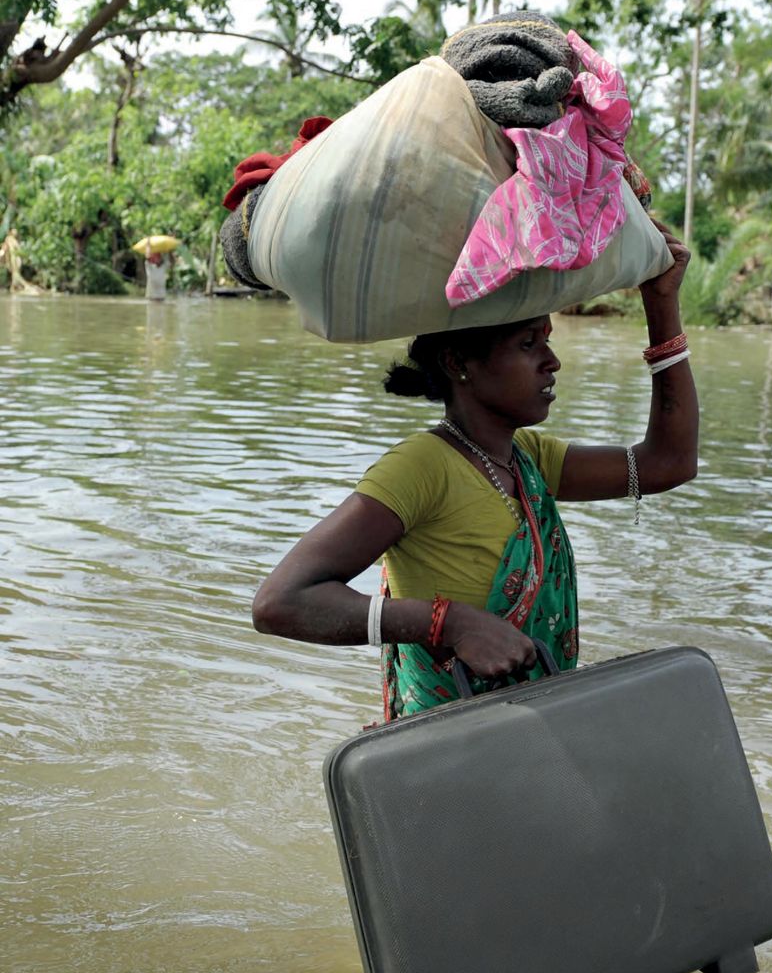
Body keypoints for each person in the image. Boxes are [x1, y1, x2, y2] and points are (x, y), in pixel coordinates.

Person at [253, 220, 697, 720]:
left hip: (531, 729)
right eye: (528, 344)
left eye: (547, 341)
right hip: (447, 749)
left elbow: (667, 464)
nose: (553, 362)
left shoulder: (529, 460)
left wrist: (661, 305)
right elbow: (280, 602)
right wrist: (448, 624)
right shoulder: (421, 468)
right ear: (459, 363)